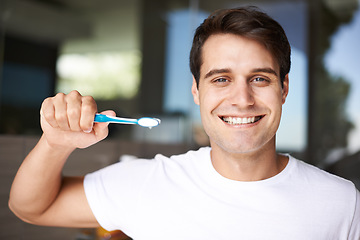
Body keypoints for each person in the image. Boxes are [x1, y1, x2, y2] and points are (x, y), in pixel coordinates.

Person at [9, 6, 360, 240]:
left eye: (259, 79)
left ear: (283, 89)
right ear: (196, 91)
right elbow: (31, 207)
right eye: (221, 79)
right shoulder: (145, 183)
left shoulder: (342, 202)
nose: (242, 99)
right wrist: (56, 143)